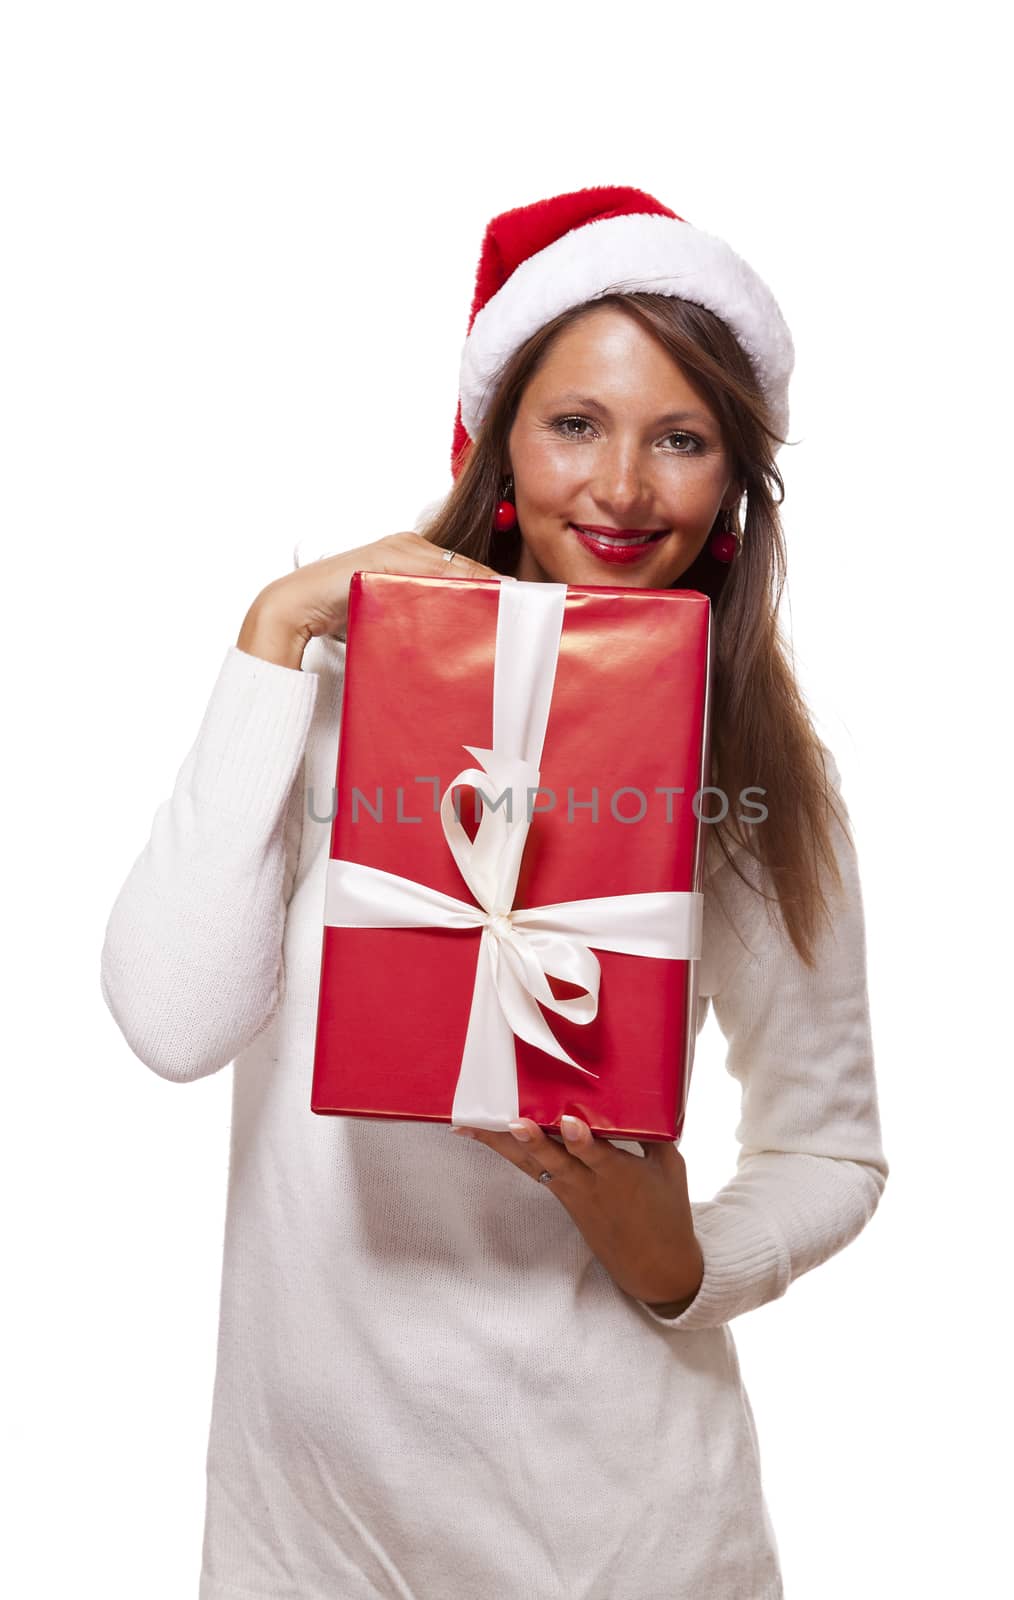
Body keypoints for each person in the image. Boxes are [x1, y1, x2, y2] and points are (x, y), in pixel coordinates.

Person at [100, 186, 889, 1600]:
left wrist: (683, 1261)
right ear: (502, 446)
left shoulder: (753, 772)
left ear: (732, 489)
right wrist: (273, 633)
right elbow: (169, 1022)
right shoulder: (327, 691)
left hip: (625, 1531)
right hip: (312, 1529)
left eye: (684, 440)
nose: (624, 487)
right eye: (576, 423)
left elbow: (833, 1151)